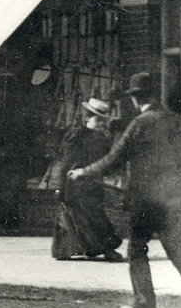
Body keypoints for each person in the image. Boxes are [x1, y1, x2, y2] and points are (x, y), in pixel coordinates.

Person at [69, 72, 181, 308]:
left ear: (136, 99)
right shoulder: (178, 121)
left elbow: (113, 160)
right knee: (175, 246)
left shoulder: (139, 124)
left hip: (145, 199)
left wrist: (83, 172)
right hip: (175, 197)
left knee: (136, 249)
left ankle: (144, 303)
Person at [46, 97, 123, 262]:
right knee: (73, 218)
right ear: (87, 118)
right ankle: (67, 251)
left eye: (104, 120)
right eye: (98, 119)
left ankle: (104, 249)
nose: (101, 123)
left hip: (92, 184)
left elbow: (106, 161)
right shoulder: (76, 136)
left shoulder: (102, 138)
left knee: (95, 216)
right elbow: (64, 162)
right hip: (73, 184)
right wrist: (59, 185)